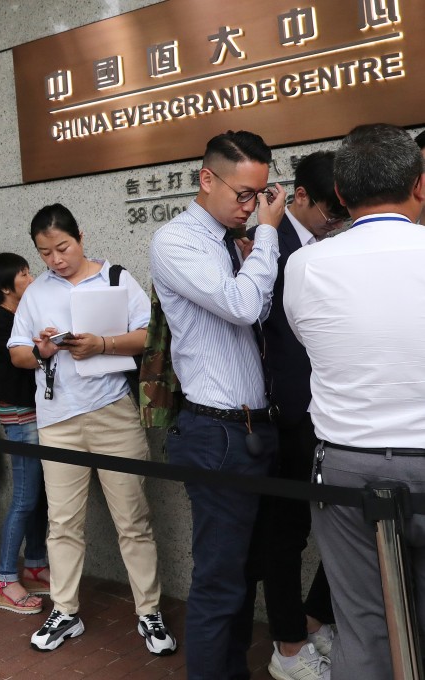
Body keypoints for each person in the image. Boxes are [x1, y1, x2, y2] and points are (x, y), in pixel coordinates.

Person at [284, 123, 425, 680]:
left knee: (362, 627)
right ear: (419, 184)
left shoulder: (306, 265)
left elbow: (310, 338)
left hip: (344, 468)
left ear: (340, 194)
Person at [150, 130, 287, 678]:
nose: (251, 206)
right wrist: (270, 236)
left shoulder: (234, 242)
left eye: (259, 195)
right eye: (244, 194)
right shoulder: (176, 241)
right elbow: (241, 304)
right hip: (216, 433)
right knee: (218, 582)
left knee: (244, 573)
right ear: (207, 178)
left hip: (256, 429)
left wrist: (257, 244)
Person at [9, 204, 176, 655]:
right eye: (45, 253)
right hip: (58, 421)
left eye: (62, 247)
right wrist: (43, 350)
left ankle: (149, 610)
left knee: (133, 520)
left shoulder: (117, 278)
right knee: (62, 523)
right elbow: (17, 353)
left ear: (80, 236)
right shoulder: (37, 292)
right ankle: (65, 610)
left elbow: (151, 334)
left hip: (113, 414)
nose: (56, 259)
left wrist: (102, 344)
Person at [248, 151, 343, 679]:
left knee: (339, 527)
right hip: (285, 415)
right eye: (330, 213)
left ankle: (311, 621)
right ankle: (287, 649)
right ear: (299, 196)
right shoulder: (268, 243)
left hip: (327, 411)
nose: (336, 224)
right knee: (283, 537)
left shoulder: (323, 244)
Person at [0, 252, 47, 615]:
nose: (31, 276)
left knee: (39, 498)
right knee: (24, 498)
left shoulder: (18, 316)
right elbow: (15, 376)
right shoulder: (3, 322)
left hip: (34, 416)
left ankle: (36, 566)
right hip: (22, 420)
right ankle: (5, 579)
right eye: (24, 273)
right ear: (7, 288)